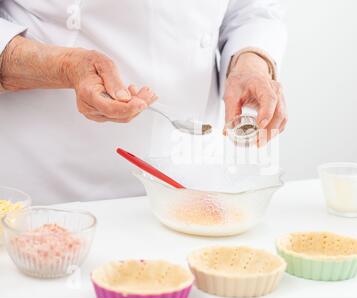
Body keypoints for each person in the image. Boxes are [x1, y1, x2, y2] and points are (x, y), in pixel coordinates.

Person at [0, 0, 287, 204]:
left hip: (190, 181)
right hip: (47, 187)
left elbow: (252, 9)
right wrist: (63, 66)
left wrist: (251, 62)